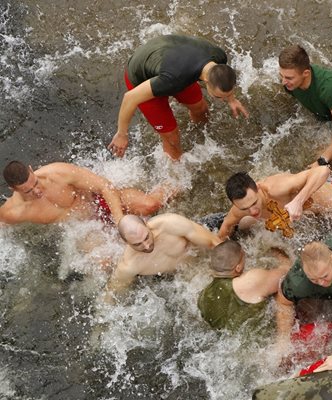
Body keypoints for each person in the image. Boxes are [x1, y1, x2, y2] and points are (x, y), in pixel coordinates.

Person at [108, 34, 249, 160]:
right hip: (141, 76)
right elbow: (130, 98)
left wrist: (231, 99)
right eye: (219, 97)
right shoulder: (174, 79)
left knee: (201, 109)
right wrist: (122, 134)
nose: (221, 99)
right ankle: (175, 175)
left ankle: (200, 136)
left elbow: (224, 79)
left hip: (172, 58)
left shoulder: (218, 57)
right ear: (206, 82)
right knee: (172, 139)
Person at [218, 167, 332, 240]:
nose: (253, 211)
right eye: (245, 208)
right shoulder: (240, 209)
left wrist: (298, 201)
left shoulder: (276, 188)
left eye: (254, 203)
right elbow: (226, 227)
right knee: (245, 225)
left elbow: (323, 171)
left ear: (257, 188)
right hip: (314, 214)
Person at [0, 161, 165, 225]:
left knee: (150, 205)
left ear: (31, 169)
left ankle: (177, 179)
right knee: (104, 262)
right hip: (83, 228)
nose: (37, 191)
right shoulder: (13, 212)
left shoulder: (58, 173)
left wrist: (121, 222)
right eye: (28, 191)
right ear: (13, 190)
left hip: (98, 202)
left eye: (35, 183)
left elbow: (104, 187)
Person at [104, 213, 221, 300]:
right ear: (126, 242)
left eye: (146, 237)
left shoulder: (170, 224)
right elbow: (112, 293)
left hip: (202, 254)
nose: (146, 245)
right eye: (137, 244)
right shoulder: (129, 265)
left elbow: (214, 242)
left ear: (147, 225)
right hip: (178, 279)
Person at [279, 45, 332, 168]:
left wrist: (322, 160)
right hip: (326, 114)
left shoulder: (328, 88)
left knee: (321, 160)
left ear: (306, 73)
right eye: (281, 76)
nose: (283, 82)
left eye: (289, 78)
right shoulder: (290, 84)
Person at [198, 240, 291, 331]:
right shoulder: (250, 281)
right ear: (238, 268)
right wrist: (279, 252)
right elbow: (286, 273)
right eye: (244, 258)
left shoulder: (203, 295)